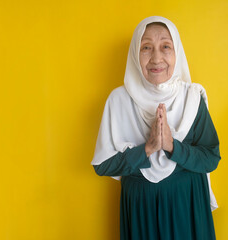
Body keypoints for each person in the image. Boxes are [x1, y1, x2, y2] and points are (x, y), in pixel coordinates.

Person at [91, 16, 221, 240]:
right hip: (143, 211)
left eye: (165, 47)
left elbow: (211, 157)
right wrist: (147, 148)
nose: (156, 58)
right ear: (135, 53)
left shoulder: (191, 98)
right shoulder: (119, 100)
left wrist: (173, 147)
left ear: (176, 51)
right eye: (146, 47)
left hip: (187, 205)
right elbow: (102, 166)